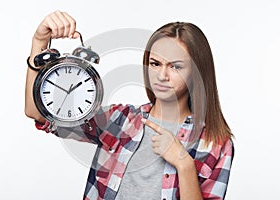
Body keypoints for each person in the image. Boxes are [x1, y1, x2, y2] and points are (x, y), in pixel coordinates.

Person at [25, 10, 234, 200]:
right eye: (155, 63)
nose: (162, 75)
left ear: (197, 72)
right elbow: (38, 113)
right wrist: (39, 41)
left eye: (176, 66)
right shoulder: (120, 120)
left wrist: (184, 164)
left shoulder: (216, 143)